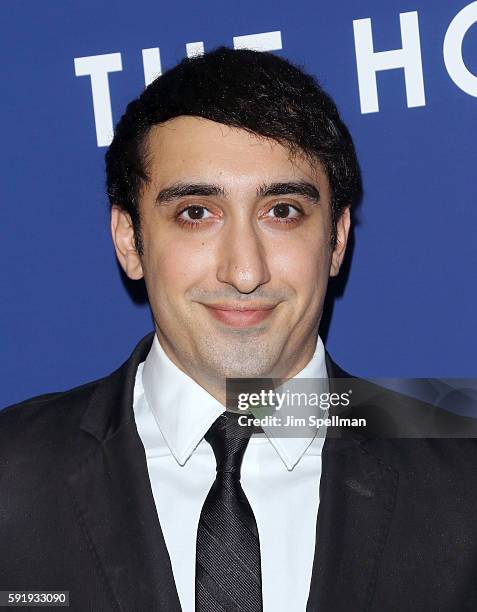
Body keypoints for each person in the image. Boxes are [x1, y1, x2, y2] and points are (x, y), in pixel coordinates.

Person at [1, 46, 477, 612]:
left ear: (338, 239)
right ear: (129, 239)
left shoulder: (463, 470)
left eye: (282, 212)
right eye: (196, 213)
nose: (245, 272)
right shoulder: (12, 473)